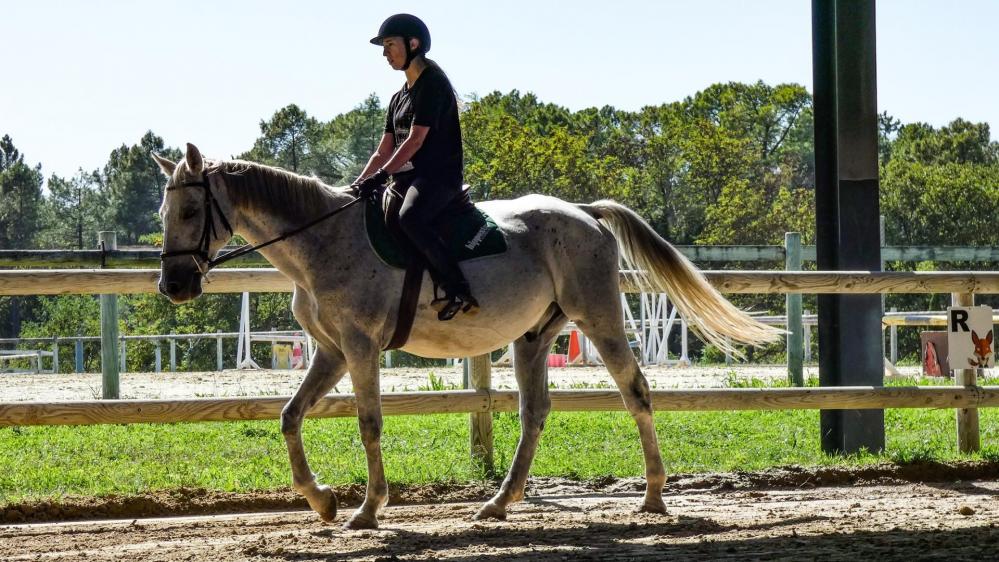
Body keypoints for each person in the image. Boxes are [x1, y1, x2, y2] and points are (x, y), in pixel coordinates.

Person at [354, 13, 478, 321]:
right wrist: (359, 184)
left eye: (390, 45)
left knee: (410, 217)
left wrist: (382, 176)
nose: (385, 54)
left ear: (413, 44)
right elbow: (384, 149)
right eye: (383, 47)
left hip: (438, 178)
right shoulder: (398, 98)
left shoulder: (432, 85)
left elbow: (415, 140)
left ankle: (458, 288)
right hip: (408, 178)